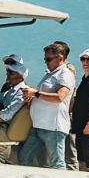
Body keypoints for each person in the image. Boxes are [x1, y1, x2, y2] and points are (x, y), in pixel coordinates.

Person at [18, 40, 73, 169]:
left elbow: (60, 97)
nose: (46, 62)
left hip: (53, 128)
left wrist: (35, 94)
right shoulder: (49, 74)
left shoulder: (64, 74)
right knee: (24, 157)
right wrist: (31, 97)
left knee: (57, 163)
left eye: (48, 59)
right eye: (45, 59)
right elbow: (41, 94)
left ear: (60, 58)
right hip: (39, 126)